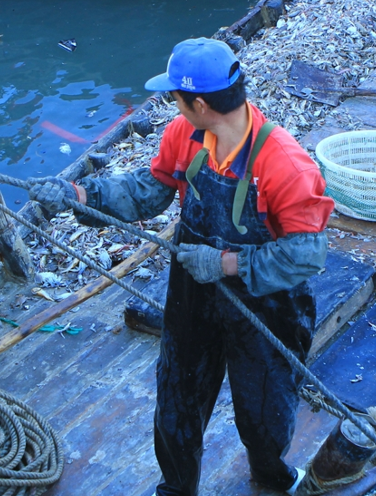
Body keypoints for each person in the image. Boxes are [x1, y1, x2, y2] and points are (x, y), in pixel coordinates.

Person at [28, 38, 333, 496]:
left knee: (266, 403)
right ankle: (177, 487)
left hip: (266, 302)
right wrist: (80, 197)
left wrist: (227, 262)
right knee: (177, 396)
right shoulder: (182, 135)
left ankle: (270, 476)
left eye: (175, 94)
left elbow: (306, 254)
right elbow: (146, 192)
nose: (171, 102)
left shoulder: (284, 164)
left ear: (200, 103)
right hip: (193, 290)